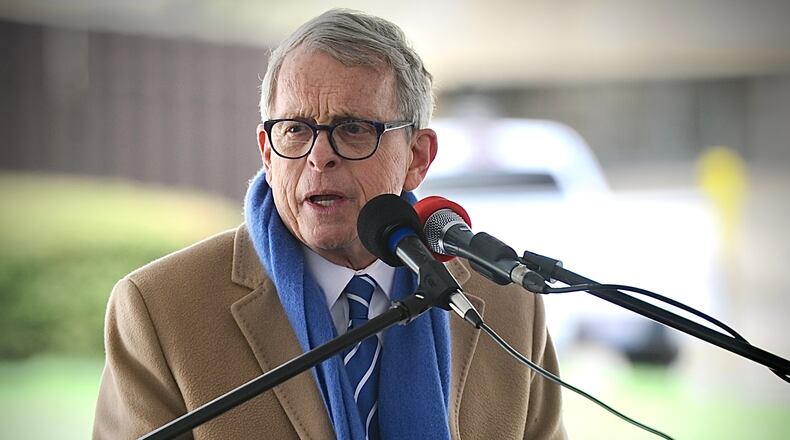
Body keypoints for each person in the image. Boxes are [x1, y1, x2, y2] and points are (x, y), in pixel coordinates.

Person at [93, 8, 566, 440]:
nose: (320, 157)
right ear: (267, 153)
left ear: (416, 157)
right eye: (295, 129)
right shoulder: (160, 309)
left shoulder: (510, 305)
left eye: (354, 129)